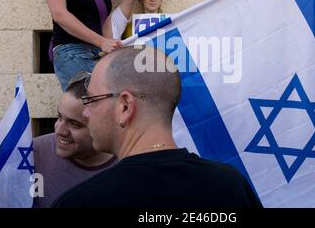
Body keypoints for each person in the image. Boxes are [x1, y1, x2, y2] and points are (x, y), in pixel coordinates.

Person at [52, 46, 263, 208]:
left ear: (125, 106)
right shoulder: (231, 187)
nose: (87, 113)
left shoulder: (81, 202)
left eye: (93, 100)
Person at [33, 72, 116, 208]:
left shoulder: (130, 164)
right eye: (59, 117)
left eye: (75, 124)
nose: (59, 130)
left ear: (106, 126)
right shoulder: (30, 154)